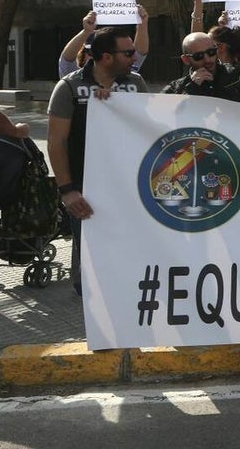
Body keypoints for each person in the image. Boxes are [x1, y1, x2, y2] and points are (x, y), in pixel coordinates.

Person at [47, 27, 149, 295]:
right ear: (106, 57)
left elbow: (148, 127)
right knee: (91, 267)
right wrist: (67, 191)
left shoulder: (136, 83)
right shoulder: (69, 87)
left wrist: (117, 105)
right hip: (85, 190)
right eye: (128, 53)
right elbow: (56, 142)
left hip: (129, 188)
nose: (134, 57)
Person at [163, 32, 240, 103]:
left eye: (211, 52)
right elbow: (166, 117)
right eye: (199, 56)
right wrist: (193, 88)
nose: (207, 59)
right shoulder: (176, 88)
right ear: (186, 59)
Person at [58, 6, 150, 77]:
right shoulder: (75, 77)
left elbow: (139, 52)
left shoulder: (123, 72)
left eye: (104, 53)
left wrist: (142, 23)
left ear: (109, 56)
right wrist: (86, 31)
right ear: (83, 53)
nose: (97, 57)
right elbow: (67, 58)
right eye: (92, 52)